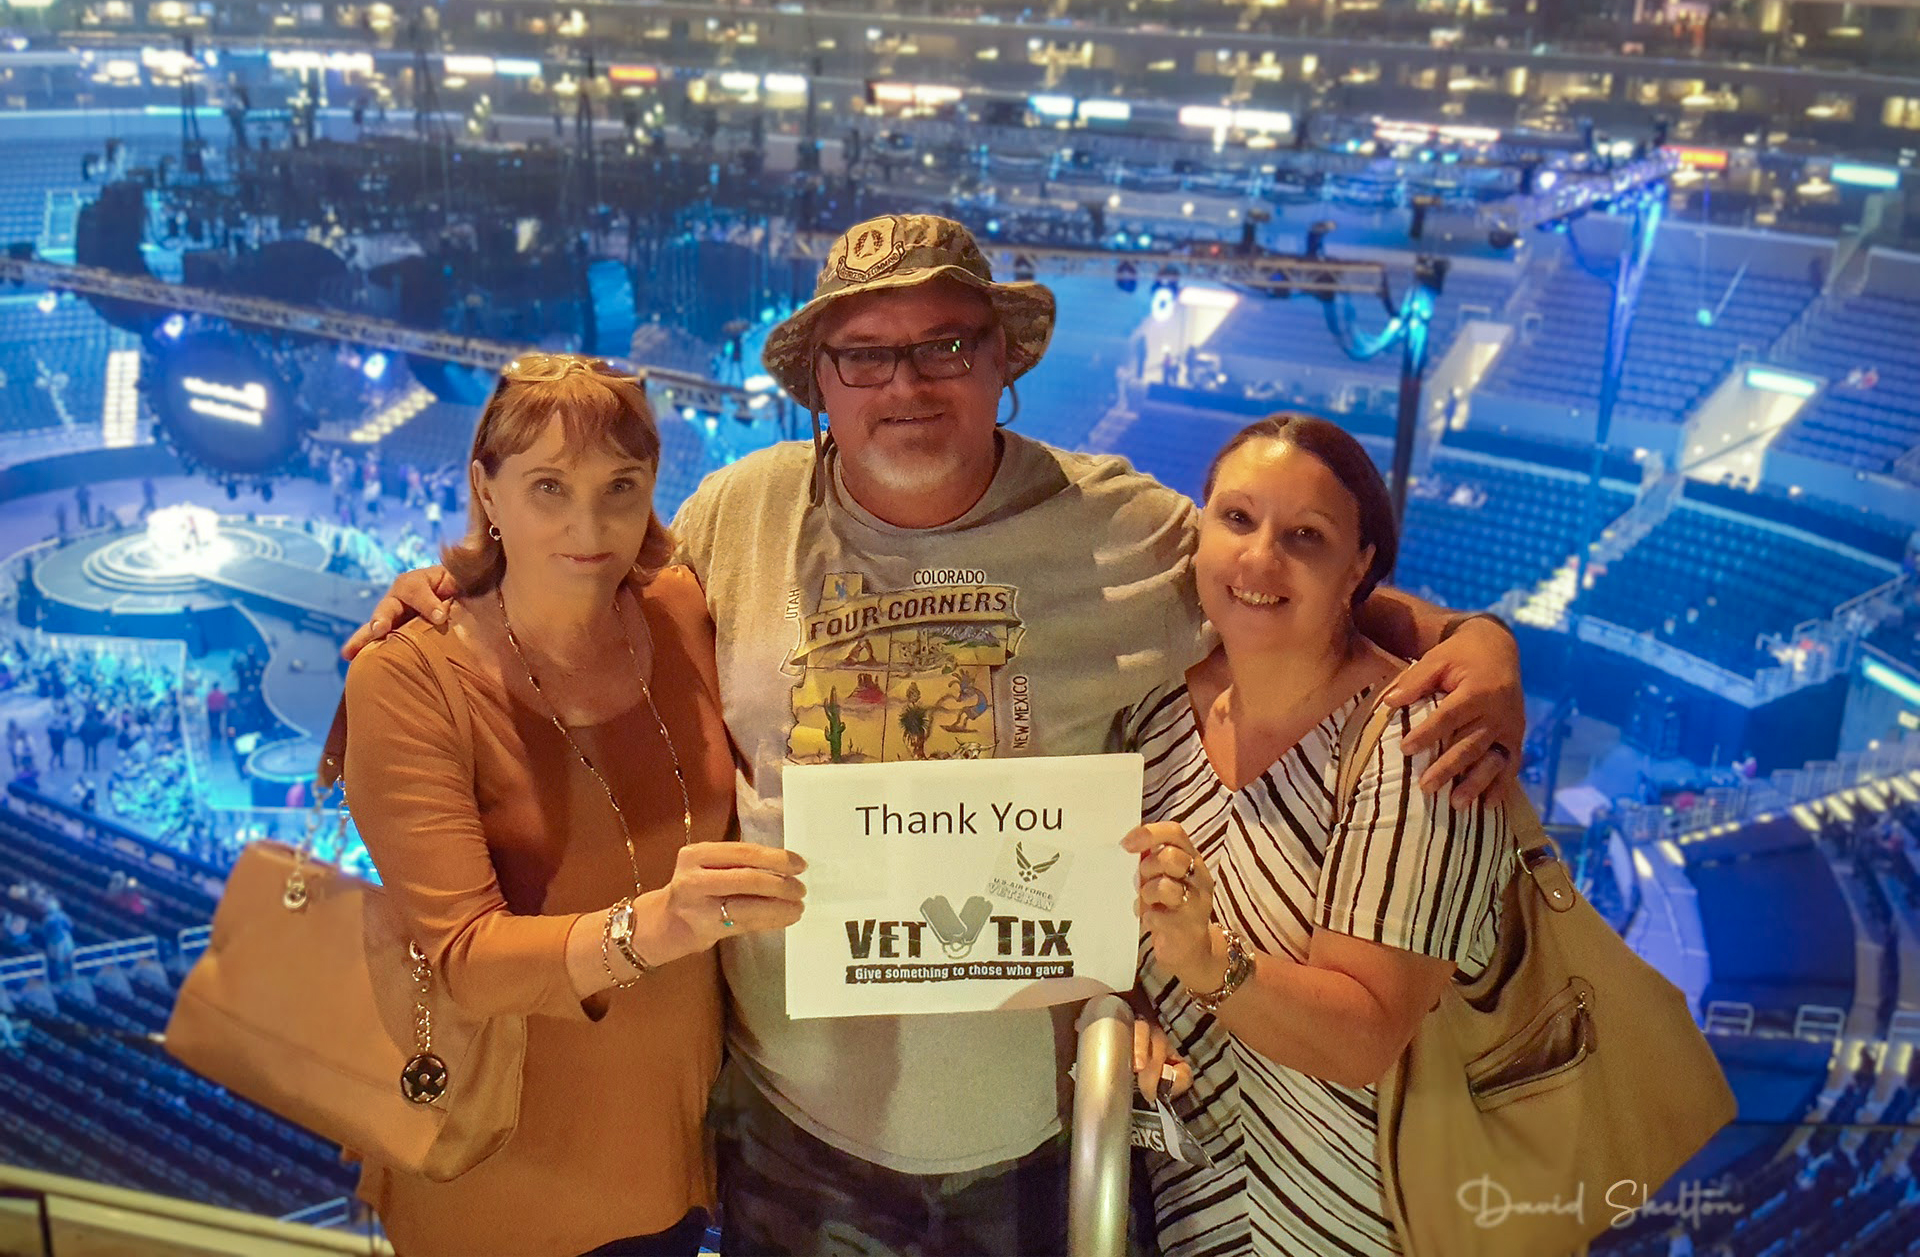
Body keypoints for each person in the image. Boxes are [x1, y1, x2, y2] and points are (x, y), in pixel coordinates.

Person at [344, 215, 1526, 1255]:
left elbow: (1285, 572)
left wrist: (1474, 640)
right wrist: (445, 589)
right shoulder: (736, 514)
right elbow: (574, 574)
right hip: (788, 1132)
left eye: (945, 344)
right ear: (821, 382)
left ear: (1002, 358)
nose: (905, 383)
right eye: (865, 354)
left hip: (1036, 1139)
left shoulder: (1121, 525)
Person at [342, 353, 807, 1257]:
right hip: (509, 1170)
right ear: (486, 489)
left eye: (620, 486)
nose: (588, 526)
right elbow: (466, 959)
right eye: (548, 486)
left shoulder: (678, 610)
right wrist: (656, 927)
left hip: (675, 1150)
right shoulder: (409, 675)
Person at [1120, 415, 1515, 1256]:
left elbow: (1366, 1034)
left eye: (1305, 537)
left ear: (1359, 567)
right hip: (1186, 1207)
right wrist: (1129, 1009)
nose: (1259, 560)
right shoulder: (1154, 714)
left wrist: (1204, 962)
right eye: (1237, 519)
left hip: (1356, 1219)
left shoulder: (1417, 743)